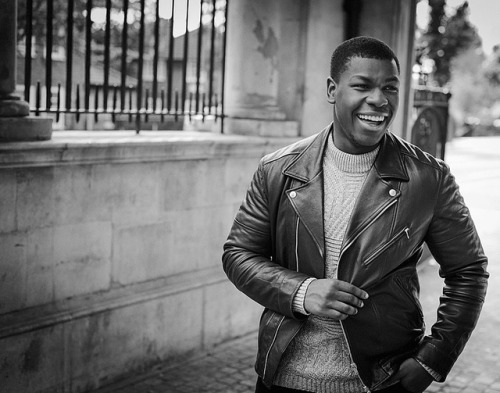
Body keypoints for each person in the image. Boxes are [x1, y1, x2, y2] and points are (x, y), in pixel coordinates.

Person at [222, 36, 488, 393]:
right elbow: (238, 254)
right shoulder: (278, 169)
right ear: (333, 89)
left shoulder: (429, 178)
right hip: (282, 378)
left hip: (381, 381)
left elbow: (468, 271)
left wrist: (433, 358)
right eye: (362, 85)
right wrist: (302, 291)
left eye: (390, 88)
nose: (379, 100)